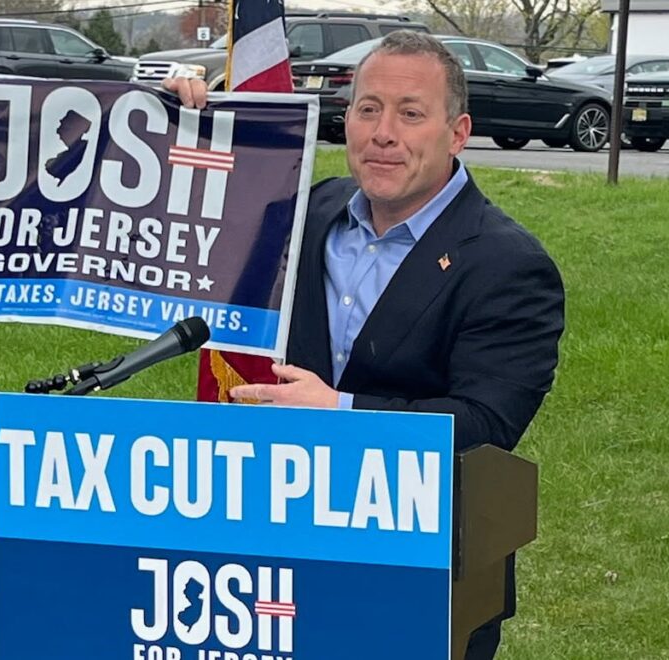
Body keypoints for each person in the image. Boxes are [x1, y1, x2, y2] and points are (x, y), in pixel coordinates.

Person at [164, 30, 564, 659]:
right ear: (346, 119)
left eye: (411, 114)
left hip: (422, 573)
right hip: (280, 552)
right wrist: (183, 121)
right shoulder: (308, 210)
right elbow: (201, 213)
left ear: (457, 133)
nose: (383, 133)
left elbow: (486, 425)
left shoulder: (509, 265)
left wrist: (341, 413)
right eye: (368, 109)